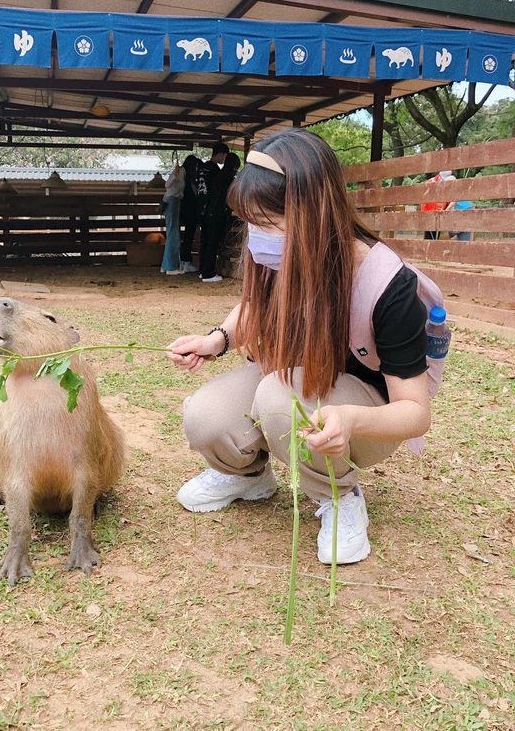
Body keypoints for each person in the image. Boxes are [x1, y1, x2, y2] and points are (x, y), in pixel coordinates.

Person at [167, 129, 432, 565]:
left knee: (278, 399)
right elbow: (253, 305)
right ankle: (251, 477)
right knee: (205, 417)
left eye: (266, 222)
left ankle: (340, 496)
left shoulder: (389, 284)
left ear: (314, 211)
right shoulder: (280, 255)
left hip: (361, 411)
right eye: (249, 222)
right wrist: (217, 339)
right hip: (293, 380)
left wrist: (348, 418)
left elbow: (415, 414)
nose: (257, 236)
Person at [199, 152, 241, 283]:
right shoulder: (229, 177)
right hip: (218, 214)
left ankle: (203, 271)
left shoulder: (218, 174)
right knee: (213, 243)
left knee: (206, 242)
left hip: (208, 212)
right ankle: (208, 274)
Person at [160, 159, 185, 275]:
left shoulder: (180, 173)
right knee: (173, 234)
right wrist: (175, 173)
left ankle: (166, 265)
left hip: (174, 201)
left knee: (172, 234)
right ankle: (170, 266)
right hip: (173, 201)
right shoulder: (179, 173)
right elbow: (167, 184)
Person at [179, 154, 203, 273]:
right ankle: (186, 261)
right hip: (190, 213)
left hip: (186, 212)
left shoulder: (188, 179)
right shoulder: (189, 181)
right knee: (188, 237)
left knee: (187, 238)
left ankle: (184, 261)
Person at [421, 170, 453, 240]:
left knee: (436, 236)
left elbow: (448, 200)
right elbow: (424, 201)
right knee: (429, 236)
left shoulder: (446, 184)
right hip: (430, 214)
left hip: (440, 214)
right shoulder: (430, 182)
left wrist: (445, 209)